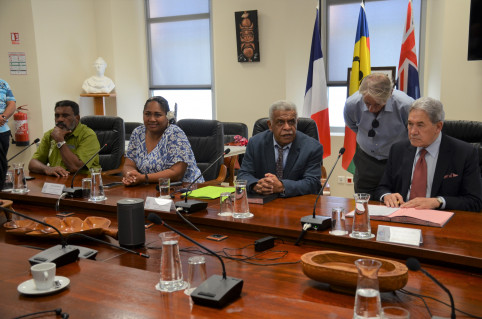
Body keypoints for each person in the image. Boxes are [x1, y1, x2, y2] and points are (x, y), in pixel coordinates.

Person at [374, 97, 482, 212]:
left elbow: (475, 201)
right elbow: (382, 187)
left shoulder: (464, 153)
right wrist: (386, 195)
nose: (413, 132)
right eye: (410, 124)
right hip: (401, 216)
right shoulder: (398, 149)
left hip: (440, 219)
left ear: (438, 127)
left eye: (420, 125)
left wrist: (438, 201)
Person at [344, 73, 414, 198]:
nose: (371, 109)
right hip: (366, 160)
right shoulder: (352, 104)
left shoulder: (405, 105)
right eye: (367, 103)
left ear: (390, 94)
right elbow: (353, 125)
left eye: (377, 104)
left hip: (397, 161)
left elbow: (412, 133)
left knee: (396, 202)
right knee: (364, 203)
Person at [237, 100, 323, 198]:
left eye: (291, 122)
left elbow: (313, 183)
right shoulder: (255, 143)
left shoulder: (312, 147)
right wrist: (256, 185)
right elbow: (243, 174)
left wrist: (282, 186)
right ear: (270, 125)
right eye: (280, 122)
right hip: (264, 204)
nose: (287, 127)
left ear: (297, 122)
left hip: (297, 203)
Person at [122, 96, 202, 186]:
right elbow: (129, 165)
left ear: (167, 116)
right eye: (147, 114)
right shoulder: (137, 133)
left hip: (185, 189)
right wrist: (130, 176)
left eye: (157, 115)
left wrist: (143, 178)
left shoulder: (174, 134)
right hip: (150, 188)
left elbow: (177, 173)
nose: (152, 119)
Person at [29, 100, 100, 177]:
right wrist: (47, 168)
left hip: (83, 182)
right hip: (57, 183)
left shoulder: (88, 135)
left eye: (65, 116)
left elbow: (75, 167)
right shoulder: (50, 135)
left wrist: (60, 141)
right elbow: (33, 164)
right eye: (57, 116)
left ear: (77, 118)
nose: (60, 119)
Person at [0, 79, 16, 189]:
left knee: (1, 165)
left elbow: (12, 103)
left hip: (3, 131)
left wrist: (3, 117)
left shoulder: (3, 83)